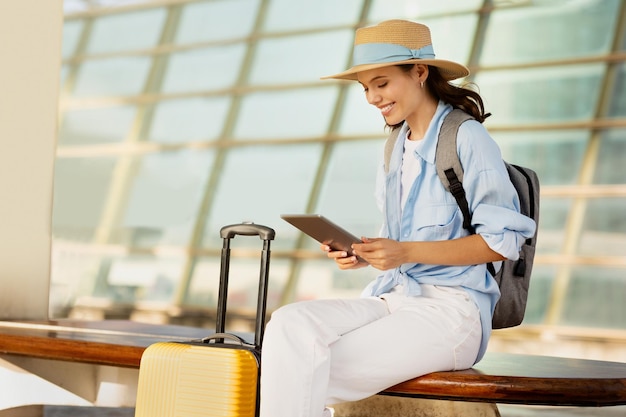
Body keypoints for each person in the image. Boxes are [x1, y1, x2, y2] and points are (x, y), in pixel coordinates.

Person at [259, 19, 536, 417]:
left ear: (420, 72)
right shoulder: (395, 149)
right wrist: (364, 253)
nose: (372, 97)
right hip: (394, 298)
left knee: (302, 369)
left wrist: (403, 251)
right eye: (366, 87)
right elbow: (397, 243)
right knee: (289, 324)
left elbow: (501, 244)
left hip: (452, 312)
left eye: (382, 83)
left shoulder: (466, 137)